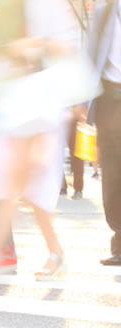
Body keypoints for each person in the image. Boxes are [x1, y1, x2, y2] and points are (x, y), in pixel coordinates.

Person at [0, 0, 77, 280]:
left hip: (39, 96)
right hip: (9, 98)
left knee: (18, 177)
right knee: (19, 180)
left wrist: (32, 45)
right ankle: (53, 251)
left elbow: (66, 47)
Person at [87, 0, 121, 266]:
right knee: (112, 174)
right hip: (110, 96)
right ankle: (120, 243)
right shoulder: (104, 9)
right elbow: (90, 55)